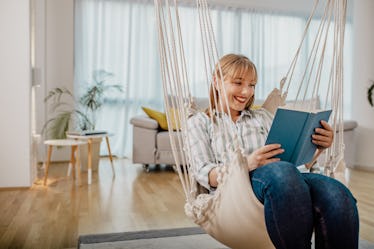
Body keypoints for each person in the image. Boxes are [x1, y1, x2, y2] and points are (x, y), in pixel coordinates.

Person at [187, 53, 359, 249]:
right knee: (283, 172)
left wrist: (318, 148)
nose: (246, 91)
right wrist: (246, 164)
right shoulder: (200, 122)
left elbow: (295, 163)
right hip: (235, 191)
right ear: (217, 81)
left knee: (337, 192)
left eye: (252, 85)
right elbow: (203, 173)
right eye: (238, 82)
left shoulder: (262, 117)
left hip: (287, 178)